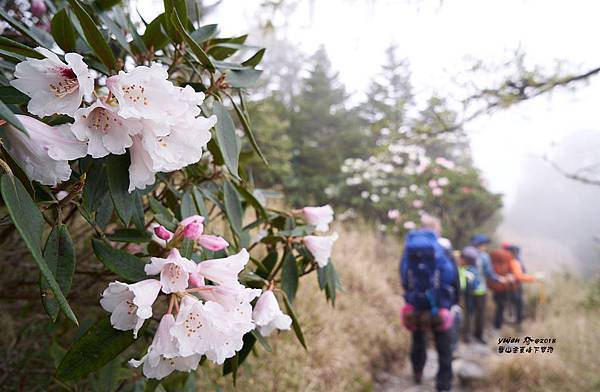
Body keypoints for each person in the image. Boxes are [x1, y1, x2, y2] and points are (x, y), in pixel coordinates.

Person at [400, 215, 458, 392]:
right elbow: (453, 277)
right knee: (443, 346)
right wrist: (454, 302)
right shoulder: (444, 248)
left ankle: (417, 373)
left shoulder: (409, 250)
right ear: (437, 230)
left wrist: (411, 296)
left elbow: (403, 276)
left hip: (415, 306)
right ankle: (443, 384)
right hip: (440, 307)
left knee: (418, 341)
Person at [489, 249, 536, 329]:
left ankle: (497, 327)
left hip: (498, 288)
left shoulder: (495, 261)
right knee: (518, 306)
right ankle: (518, 324)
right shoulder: (513, 261)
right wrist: (535, 278)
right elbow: (519, 276)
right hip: (510, 288)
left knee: (500, 308)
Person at [469, 234, 502, 344]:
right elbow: (489, 273)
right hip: (480, 289)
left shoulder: (467, 253)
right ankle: (478, 336)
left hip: (467, 289)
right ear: (481, 245)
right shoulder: (484, 256)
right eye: (484, 244)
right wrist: (498, 279)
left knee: (469, 312)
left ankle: (466, 335)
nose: (485, 246)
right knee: (480, 313)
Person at [458, 246, 480, 343]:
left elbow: (474, 285)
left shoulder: (468, 269)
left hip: (466, 296)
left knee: (467, 315)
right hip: (458, 297)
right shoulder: (456, 266)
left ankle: (465, 336)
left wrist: (470, 281)